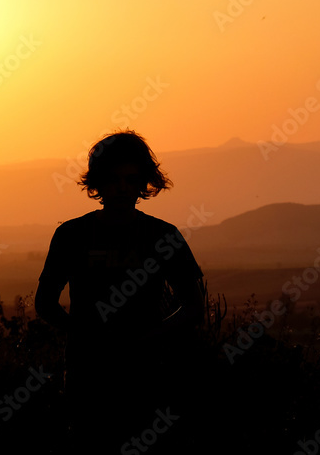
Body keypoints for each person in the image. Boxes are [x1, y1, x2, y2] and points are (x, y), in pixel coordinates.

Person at [35, 130, 206, 452]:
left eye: (131, 179)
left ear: (144, 182)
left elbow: (194, 307)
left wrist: (148, 338)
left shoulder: (162, 235)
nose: (123, 188)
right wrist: (85, 332)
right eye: (113, 179)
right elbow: (44, 303)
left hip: (148, 376)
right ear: (97, 182)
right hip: (88, 375)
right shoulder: (71, 235)